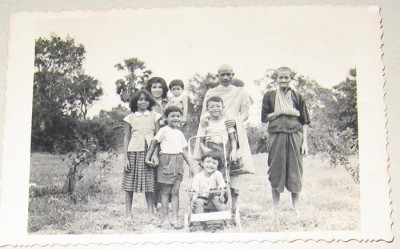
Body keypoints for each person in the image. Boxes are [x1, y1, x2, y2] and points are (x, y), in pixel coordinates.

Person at [197, 64, 254, 216]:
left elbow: (245, 113)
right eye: (222, 74)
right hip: (212, 136)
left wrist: (235, 121)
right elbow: (204, 112)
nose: (226, 77)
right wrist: (204, 120)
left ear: (233, 74)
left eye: (228, 74)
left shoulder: (240, 92)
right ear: (218, 75)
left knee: (233, 172)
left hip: (232, 134)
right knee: (211, 170)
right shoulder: (211, 92)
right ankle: (209, 206)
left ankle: (233, 207)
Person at [261, 66, 311, 212]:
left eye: (286, 77)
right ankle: (275, 208)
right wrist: (279, 112)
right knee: (275, 169)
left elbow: (305, 121)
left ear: (290, 78)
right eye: (280, 77)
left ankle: (296, 209)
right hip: (276, 135)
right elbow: (264, 118)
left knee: (296, 170)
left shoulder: (298, 96)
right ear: (276, 79)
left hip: (295, 135)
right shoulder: (269, 95)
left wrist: (305, 143)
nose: (283, 80)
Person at [145, 106, 196, 229]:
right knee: (165, 192)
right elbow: (153, 144)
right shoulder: (164, 130)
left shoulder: (180, 133)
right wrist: (148, 157)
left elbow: (184, 150)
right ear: (166, 118)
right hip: (166, 161)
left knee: (175, 192)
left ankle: (175, 219)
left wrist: (191, 165)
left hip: (178, 162)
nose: (175, 118)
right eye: (172, 116)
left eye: (178, 116)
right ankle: (165, 219)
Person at [122, 89, 162, 219]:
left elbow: (158, 136)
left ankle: (151, 212)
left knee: (149, 183)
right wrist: (126, 159)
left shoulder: (155, 116)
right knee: (129, 184)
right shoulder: (130, 118)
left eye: (145, 99)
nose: (143, 102)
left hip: (149, 152)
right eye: (140, 99)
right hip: (133, 152)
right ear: (135, 101)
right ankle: (128, 213)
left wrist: (155, 154)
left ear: (149, 101)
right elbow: (126, 138)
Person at [145, 77, 169, 209]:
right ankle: (153, 203)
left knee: (165, 170)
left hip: (167, 139)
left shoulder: (169, 102)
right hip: (152, 139)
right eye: (154, 87)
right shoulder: (147, 103)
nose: (157, 90)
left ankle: (164, 201)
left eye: (160, 87)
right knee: (152, 172)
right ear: (149, 89)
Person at [198, 96, 238, 176]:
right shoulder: (206, 123)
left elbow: (233, 139)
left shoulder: (227, 122)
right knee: (207, 171)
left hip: (222, 149)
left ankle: (222, 186)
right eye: (212, 107)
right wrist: (204, 149)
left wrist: (234, 150)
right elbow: (200, 141)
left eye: (218, 106)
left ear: (223, 107)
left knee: (222, 171)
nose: (215, 108)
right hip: (209, 149)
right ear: (207, 109)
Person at [191, 151, 227, 229]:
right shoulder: (198, 176)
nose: (210, 165)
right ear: (202, 163)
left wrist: (221, 195)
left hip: (213, 196)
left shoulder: (217, 174)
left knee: (219, 201)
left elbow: (222, 186)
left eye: (214, 163)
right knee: (198, 202)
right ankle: (199, 221)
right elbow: (195, 190)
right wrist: (194, 199)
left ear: (217, 165)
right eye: (208, 162)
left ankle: (222, 219)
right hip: (201, 197)